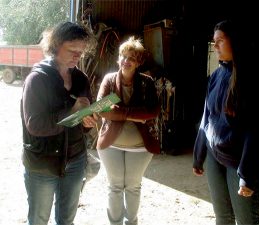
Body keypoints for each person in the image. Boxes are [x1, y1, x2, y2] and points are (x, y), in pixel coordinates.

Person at [193, 20, 259, 225]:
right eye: (214, 41)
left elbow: (258, 132)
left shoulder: (258, 80)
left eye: (220, 40)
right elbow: (207, 117)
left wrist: (246, 174)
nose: (215, 46)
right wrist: (199, 153)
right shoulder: (216, 76)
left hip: (241, 162)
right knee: (223, 217)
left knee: (246, 220)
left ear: (236, 42)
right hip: (215, 156)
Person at [21, 21, 97, 225]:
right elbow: (35, 125)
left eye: (81, 52)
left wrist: (89, 119)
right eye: (72, 50)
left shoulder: (81, 78)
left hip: (75, 159)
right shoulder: (37, 79)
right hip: (43, 163)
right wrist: (71, 112)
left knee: (66, 220)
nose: (77, 56)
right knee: (38, 220)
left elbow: (84, 122)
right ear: (55, 45)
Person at [95, 36, 160, 225]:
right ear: (118, 59)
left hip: (140, 146)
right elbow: (101, 109)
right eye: (123, 56)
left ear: (138, 62)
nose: (126, 61)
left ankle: (131, 222)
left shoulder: (147, 83)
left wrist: (120, 112)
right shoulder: (109, 80)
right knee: (115, 187)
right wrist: (133, 115)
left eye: (131, 58)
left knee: (132, 187)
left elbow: (153, 111)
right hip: (111, 144)